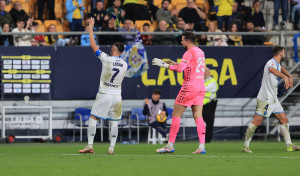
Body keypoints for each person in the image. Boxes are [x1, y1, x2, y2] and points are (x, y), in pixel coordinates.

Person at [79, 17, 128, 155]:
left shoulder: (106, 59)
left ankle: (89, 145)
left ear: (113, 49)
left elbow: (93, 46)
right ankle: (111, 148)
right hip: (117, 96)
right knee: (114, 122)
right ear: (123, 52)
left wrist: (90, 29)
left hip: (105, 93)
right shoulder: (125, 64)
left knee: (93, 117)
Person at [152, 31, 206, 154]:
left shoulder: (188, 52)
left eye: (182, 40)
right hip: (200, 87)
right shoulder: (200, 52)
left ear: (187, 41)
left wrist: (163, 65)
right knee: (198, 116)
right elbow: (191, 68)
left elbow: (181, 69)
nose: (181, 42)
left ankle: (170, 145)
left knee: (176, 114)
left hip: (189, 87)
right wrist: (175, 63)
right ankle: (202, 146)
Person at [241, 46, 300, 153]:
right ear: (281, 53)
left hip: (273, 99)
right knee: (257, 121)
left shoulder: (277, 64)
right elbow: (272, 69)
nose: (285, 54)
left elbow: (279, 68)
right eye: (284, 52)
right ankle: (245, 146)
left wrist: (289, 75)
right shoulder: (270, 63)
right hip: (265, 98)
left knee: (284, 120)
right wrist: (284, 77)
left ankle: (289, 145)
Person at [203, 68, 218, 143]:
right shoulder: (201, 81)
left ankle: (208, 139)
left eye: (206, 71)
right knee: (201, 121)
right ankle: (203, 137)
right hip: (201, 104)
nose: (204, 73)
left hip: (210, 104)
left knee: (209, 122)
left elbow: (206, 89)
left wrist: (198, 88)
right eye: (204, 71)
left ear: (209, 73)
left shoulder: (212, 81)